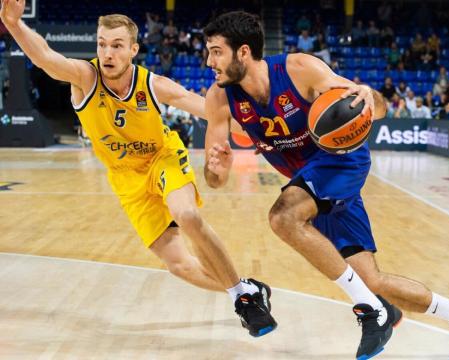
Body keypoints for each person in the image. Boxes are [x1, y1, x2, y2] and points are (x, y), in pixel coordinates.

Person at [202, 11, 449, 360]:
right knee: (372, 280)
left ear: (244, 52)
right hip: (311, 184)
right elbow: (215, 180)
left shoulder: (298, 69)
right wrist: (215, 168)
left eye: (217, 51)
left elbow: (375, 109)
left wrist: (371, 97)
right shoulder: (221, 98)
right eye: (209, 51)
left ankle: (372, 311)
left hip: (341, 162)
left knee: (283, 217)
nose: (209, 61)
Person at [0, 1, 277, 337]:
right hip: (125, 177)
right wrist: (13, 24)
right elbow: (45, 57)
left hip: (161, 158)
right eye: (102, 44)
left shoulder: (152, 84)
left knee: (186, 215)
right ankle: (246, 289)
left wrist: (263, 132)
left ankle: (241, 299)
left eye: (116, 45)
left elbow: (208, 110)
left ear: (133, 49)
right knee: (178, 265)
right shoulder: (84, 78)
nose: (107, 52)